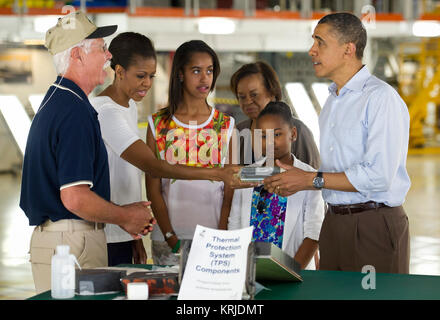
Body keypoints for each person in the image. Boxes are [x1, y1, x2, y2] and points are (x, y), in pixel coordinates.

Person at [264, 12, 411, 274]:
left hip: (372, 224)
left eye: (320, 42)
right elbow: (336, 170)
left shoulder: (380, 99)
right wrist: (296, 180)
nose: (312, 50)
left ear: (348, 49)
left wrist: (309, 180)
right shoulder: (333, 101)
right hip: (334, 222)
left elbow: (378, 176)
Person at [19, 12, 155, 293]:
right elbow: (75, 197)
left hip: (62, 242)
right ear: (78, 55)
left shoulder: (58, 99)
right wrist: (126, 216)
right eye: (102, 49)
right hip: (72, 243)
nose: (108, 57)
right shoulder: (74, 112)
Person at [146, 40, 235, 264]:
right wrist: (169, 235)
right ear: (180, 74)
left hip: (213, 236)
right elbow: (153, 188)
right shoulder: (158, 124)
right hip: (168, 237)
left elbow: (230, 187)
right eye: (196, 70)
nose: (204, 78)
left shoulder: (226, 125)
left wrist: (221, 231)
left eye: (209, 71)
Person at [228, 102, 324, 269]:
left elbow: (314, 234)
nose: (270, 142)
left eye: (277, 135)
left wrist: (291, 272)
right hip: (249, 269)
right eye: (263, 136)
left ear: (293, 134)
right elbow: (235, 226)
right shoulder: (247, 174)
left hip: (294, 271)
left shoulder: (308, 176)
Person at [90, 32, 156, 266]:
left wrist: (136, 238)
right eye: (140, 76)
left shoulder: (128, 106)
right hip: (107, 232)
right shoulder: (103, 110)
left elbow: (129, 175)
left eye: (151, 76)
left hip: (127, 230)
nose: (147, 83)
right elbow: (149, 164)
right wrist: (213, 173)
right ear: (119, 71)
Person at [230, 61, 320, 169]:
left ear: (272, 92)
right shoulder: (238, 132)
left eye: (254, 95)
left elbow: (313, 177)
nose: (248, 101)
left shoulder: (299, 130)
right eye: (242, 97)